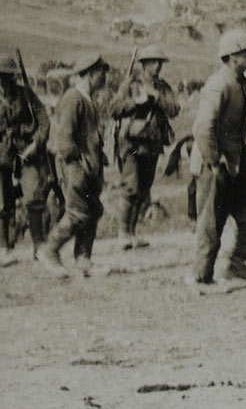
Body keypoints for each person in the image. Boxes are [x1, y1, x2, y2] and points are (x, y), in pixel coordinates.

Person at [186, 29, 246, 292]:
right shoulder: (218, 84)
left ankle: (236, 266)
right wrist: (214, 161)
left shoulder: (234, 82)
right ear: (233, 57)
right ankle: (201, 277)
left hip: (233, 162)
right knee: (211, 222)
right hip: (216, 163)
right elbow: (202, 127)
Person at [40, 53, 111, 278]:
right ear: (90, 73)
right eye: (101, 72)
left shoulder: (87, 99)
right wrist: (77, 165)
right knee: (77, 213)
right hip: (75, 168)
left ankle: (83, 260)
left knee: (92, 211)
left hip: (89, 167)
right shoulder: (74, 99)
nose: (104, 76)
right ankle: (49, 250)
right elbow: (64, 138)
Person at [104, 44, 180, 250]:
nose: (157, 66)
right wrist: (137, 102)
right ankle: (122, 233)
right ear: (144, 64)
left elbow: (174, 109)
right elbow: (114, 108)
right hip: (131, 143)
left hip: (153, 144)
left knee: (143, 189)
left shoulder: (163, 88)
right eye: (153, 62)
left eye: (159, 62)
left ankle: (132, 233)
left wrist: (156, 97)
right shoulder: (131, 84)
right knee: (131, 186)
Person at [1, 50, 50, 266]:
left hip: (26, 154)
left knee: (34, 199)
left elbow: (44, 122)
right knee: (2, 204)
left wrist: (35, 145)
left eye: (7, 76)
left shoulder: (27, 95)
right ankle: (5, 247)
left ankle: (39, 246)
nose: (4, 82)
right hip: (1, 156)